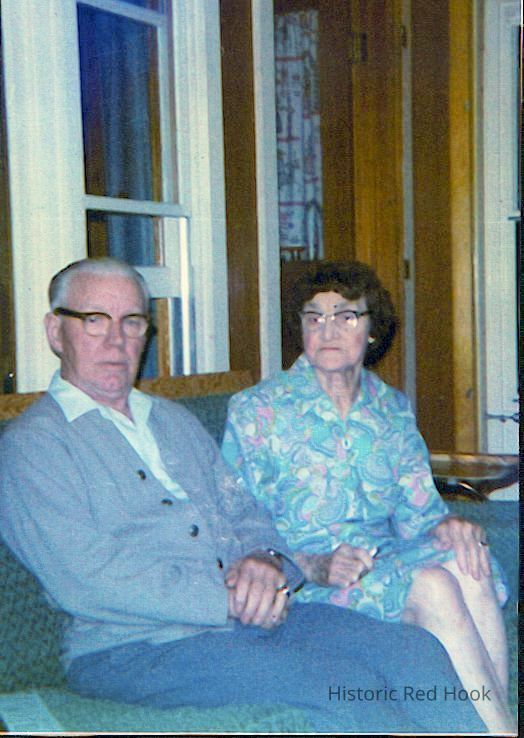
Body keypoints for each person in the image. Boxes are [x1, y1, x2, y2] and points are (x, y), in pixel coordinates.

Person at [0, 257, 486, 735]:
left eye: (132, 321)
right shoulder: (33, 445)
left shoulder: (172, 422)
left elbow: (247, 513)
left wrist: (265, 561)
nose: (116, 339)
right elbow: (86, 579)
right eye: (94, 320)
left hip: (250, 624)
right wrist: (228, 599)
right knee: (341, 684)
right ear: (55, 331)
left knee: (410, 651)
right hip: (134, 649)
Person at [222, 260, 515, 734]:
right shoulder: (259, 411)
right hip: (306, 581)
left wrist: (450, 526)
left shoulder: (391, 409)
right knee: (434, 585)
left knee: (469, 561)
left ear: (372, 329)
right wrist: (313, 563)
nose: (328, 330)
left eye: (346, 316)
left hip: (381, 562)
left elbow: (419, 513)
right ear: (301, 328)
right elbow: (236, 529)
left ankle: (495, 723)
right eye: (314, 316)